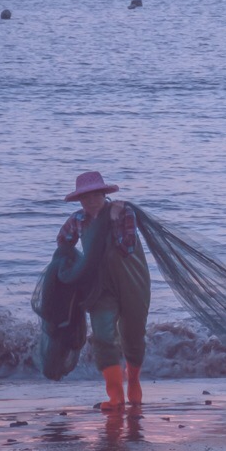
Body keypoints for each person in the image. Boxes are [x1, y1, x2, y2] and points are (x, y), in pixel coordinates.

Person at [53, 170, 152, 411]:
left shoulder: (125, 212)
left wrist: (112, 220)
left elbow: (127, 247)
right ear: (80, 200)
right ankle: (115, 395)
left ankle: (134, 380)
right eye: (85, 197)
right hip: (99, 286)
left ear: (103, 194)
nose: (90, 201)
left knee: (133, 335)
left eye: (95, 195)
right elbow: (63, 241)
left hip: (131, 279)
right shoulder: (77, 219)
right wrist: (74, 264)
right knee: (103, 336)